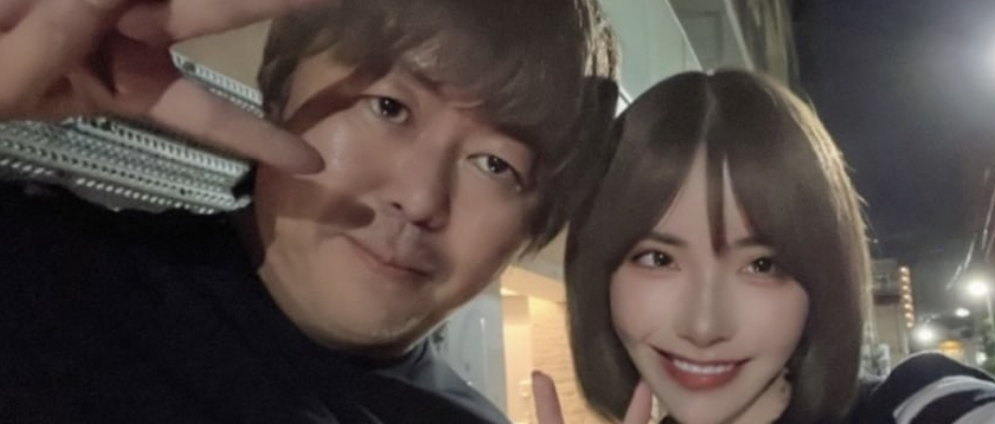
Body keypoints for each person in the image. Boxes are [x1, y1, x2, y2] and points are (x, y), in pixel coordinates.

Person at [0, 0, 618, 422]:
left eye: (496, 165)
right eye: (389, 108)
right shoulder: (43, 276)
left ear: (533, 230)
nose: (420, 199)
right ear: (280, 89)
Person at [537, 70, 995, 424]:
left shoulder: (910, 404)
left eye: (761, 264)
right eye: (658, 259)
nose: (703, 326)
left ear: (821, 277)